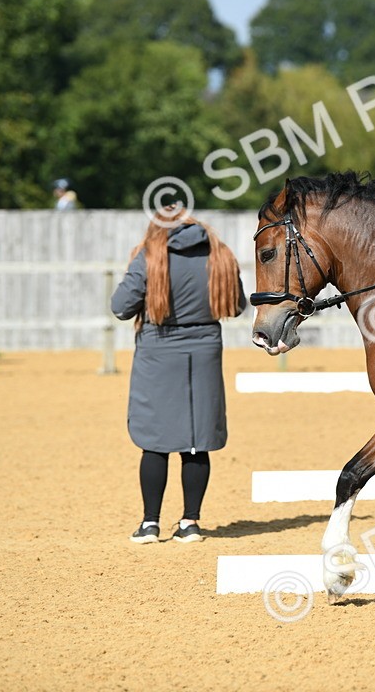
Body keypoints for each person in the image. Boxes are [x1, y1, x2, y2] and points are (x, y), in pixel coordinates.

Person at [111, 209, 246, 544]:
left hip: (158, 352)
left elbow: (120, 306)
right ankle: (190, 523)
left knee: (155, 442)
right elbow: (237, 305)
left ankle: (150, 524)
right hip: (205, 351)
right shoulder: (220, 254)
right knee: (197, 442)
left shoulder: (150, 256)